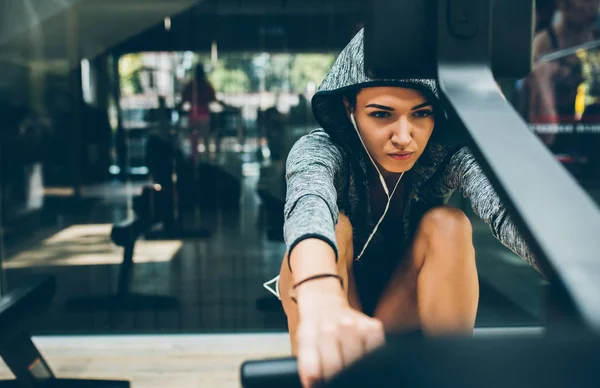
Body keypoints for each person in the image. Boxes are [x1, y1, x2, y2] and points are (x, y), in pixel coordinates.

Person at [263, 29, 542, 388]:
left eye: (421, 114)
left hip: (402, 306)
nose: (404, 136)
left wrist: (579, 270)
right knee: (335, 227)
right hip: (330, 302)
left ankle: (448, 375)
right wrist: (319, 295)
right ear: (350, 108)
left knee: (448, 224)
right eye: (381, 115)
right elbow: (307, 207)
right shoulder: (318, 151)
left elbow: (506, 211)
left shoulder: (444, 156)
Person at [182, 63, 217, 161]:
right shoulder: (205, 85)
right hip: (203, 116)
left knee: (195, 141)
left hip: (194, 115)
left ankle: (196, 160)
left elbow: (184, 100)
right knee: (205, 140)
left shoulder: (191, 85)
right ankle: (205, 160)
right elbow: (213, 98)